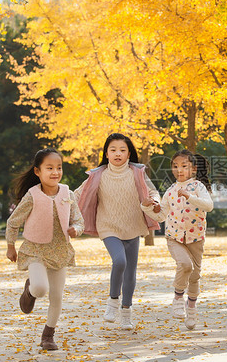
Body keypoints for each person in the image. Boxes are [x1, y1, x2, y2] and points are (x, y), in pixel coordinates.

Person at [75, 133, 160, 330]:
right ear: (106, 153)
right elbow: (78, 193)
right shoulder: (98, 174)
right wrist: (60, 197)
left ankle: (126, 313)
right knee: (119, 261)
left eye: (122, 150)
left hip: (132, 225)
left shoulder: (137, 172)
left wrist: (154, 202)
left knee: (130, 272)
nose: (118, 154)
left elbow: (153, 192)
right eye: (113, 150)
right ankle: (113, 301)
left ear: (129, 152)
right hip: (108, 226)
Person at [6, 148, 84, 351]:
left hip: (60, 251)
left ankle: (48, 335)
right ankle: (30, 290)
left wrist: (76, 229)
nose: (55, 172)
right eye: (49, 168)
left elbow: (79, 220)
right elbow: (13, 222)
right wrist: (10, 246)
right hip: (35, 250)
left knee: (56, 296)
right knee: (40, 289)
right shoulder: (32, 195)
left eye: (59, 168)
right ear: (37, 171)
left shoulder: (67, 193)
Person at [141, 150, 213, 330]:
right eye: (175, 166)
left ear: (193, 169)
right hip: (174, 238)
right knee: (185, 265)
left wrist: (189, 196)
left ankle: (192, 309)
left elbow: (209, 206)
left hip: (196, 238)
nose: (179, 170)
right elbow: (161, 215)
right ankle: (178, 297)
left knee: (195, 276)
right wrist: (147, 207)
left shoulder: (198, 187)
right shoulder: (171, 191)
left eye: (184, 166)